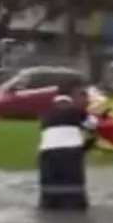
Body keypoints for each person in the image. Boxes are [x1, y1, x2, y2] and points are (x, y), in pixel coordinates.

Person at [37, 82, 99, 210]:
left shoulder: (46, 113)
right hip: (70, 152)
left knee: (51, 182)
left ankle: (50, 204)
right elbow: (93, 125)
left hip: (47, 152)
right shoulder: (77, 111)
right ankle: (74, 204)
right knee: (72, 182)